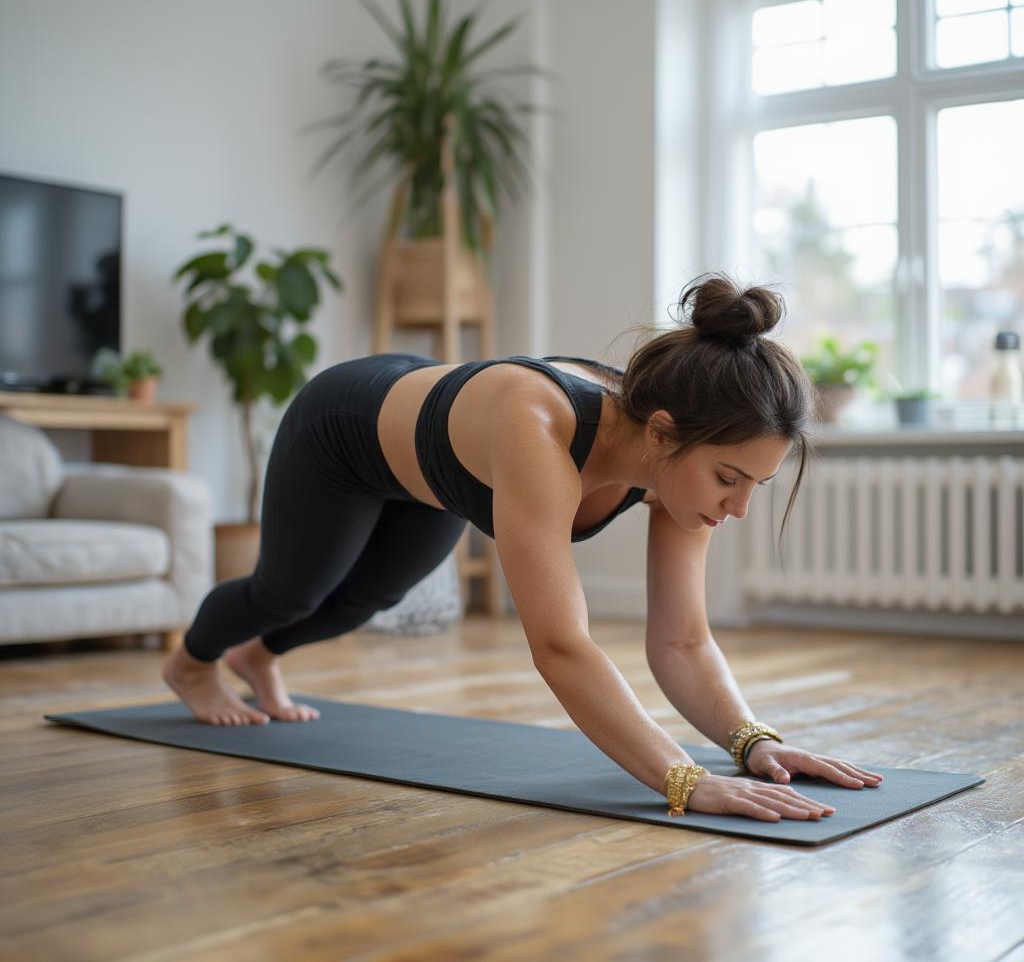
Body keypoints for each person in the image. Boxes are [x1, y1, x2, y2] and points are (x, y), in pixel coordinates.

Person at [163, 272, 883, 822]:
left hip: (438, 460)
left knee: (370, 597)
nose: (739, 508)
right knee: (289, 592)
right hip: (344, 426)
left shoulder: (679, 459)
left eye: (756, 483)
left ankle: (259, 656)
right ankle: (193, 664)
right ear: (662, 433)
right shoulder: (539, 427)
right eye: (730, 479)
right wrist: (683, 781)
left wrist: (752, 744)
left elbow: (685, 643)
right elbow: (560, 645)